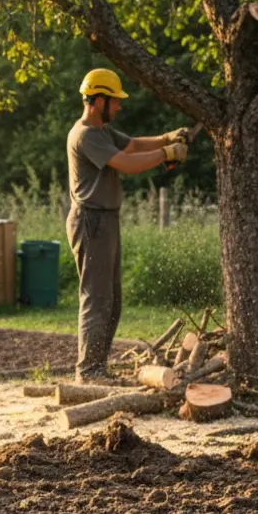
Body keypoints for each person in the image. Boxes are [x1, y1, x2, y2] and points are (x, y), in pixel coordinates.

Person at [66, 68, 190, 383]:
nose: (119, 107)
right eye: (114, 101)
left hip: (105, 219)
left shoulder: (103, 132)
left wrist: (166, 138)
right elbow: (128, 164)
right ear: (96, 100)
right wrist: (167, 153)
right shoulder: (86, 135)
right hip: (91, 221)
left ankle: (98, 368)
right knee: (97, 299)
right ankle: (89, 372)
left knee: (113, 301)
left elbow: (133, 146)